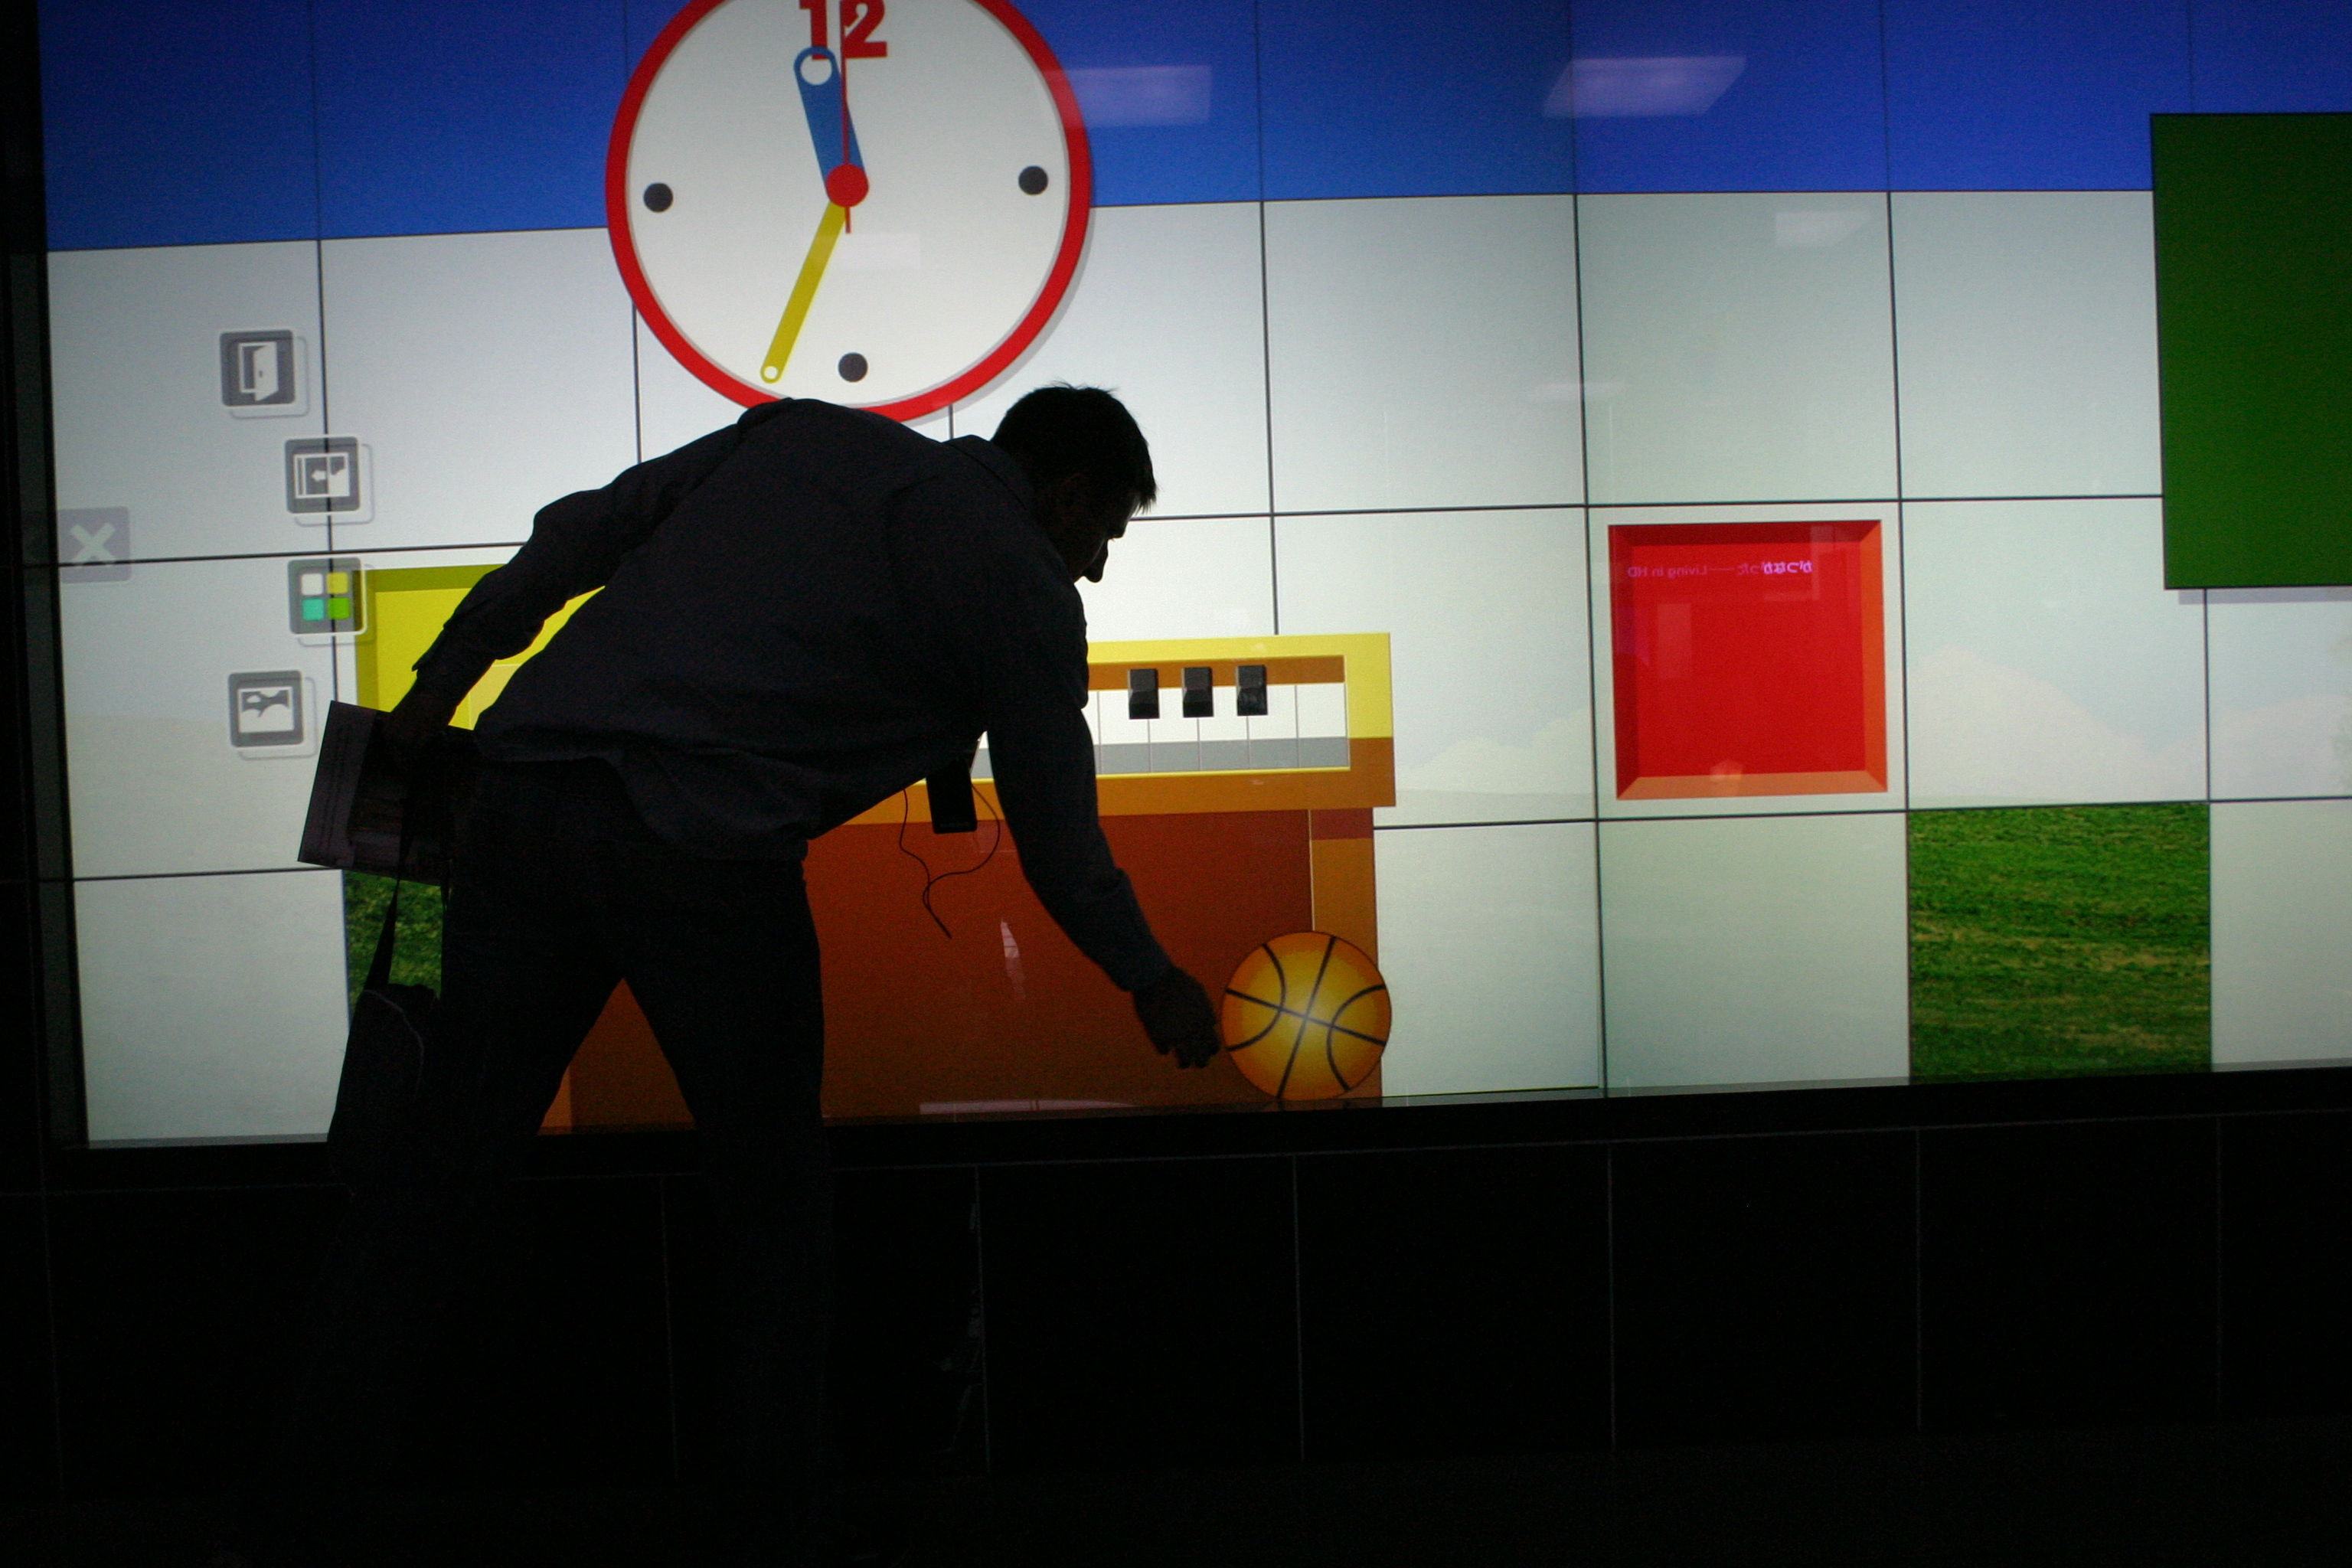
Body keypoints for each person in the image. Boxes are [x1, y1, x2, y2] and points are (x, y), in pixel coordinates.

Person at [229, 387, 1223, 1566]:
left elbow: (581, 533)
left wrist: (439, 686)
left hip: (526, 799)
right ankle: (777, 1532)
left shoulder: (805, 435)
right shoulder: (1024, 588)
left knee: (433, 1187)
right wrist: (1150, 976)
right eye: (1103, 532)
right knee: (772, 1216)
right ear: (1065, 494)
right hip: (702, 856)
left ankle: (292, 1528)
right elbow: (1056, 834)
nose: (1096, 566)